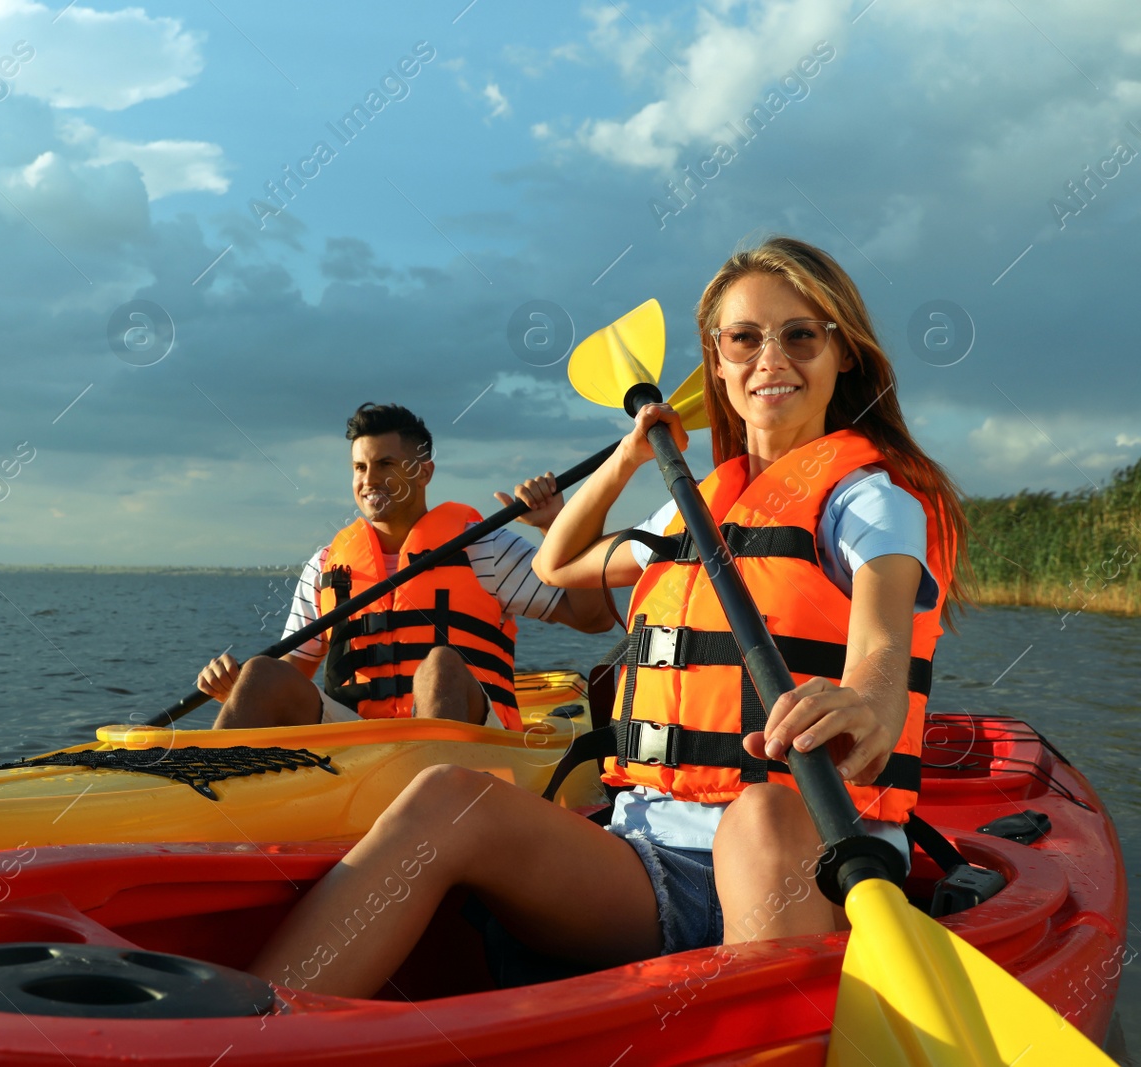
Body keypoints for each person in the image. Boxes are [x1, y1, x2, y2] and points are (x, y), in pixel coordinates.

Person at [243, 237, 969, 997]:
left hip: (806, 861)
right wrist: (628, 455)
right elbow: (560, 561)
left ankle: (755, 1027)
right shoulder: (696, 504)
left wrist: (866, 699)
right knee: (448, 796)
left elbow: (884, 640)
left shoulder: (872, 503)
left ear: (843, 353)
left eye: (800, 335)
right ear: (715, 364)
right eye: (744, 338)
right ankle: (254, 1031)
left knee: (761, 813)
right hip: (652, 868)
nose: (771, 358)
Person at [196, 402, 618, 731]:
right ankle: (207, 801)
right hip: (357, 742)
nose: (368, 480)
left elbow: (593, 618)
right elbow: (290, 678)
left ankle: (434, 804)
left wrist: (556, 529)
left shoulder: (482, 546)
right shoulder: (326, 564)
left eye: (385, 464)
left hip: (476, 743)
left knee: (440, 667)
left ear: (423, 472)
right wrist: (237, 691)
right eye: (360, 467)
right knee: (260, 673)